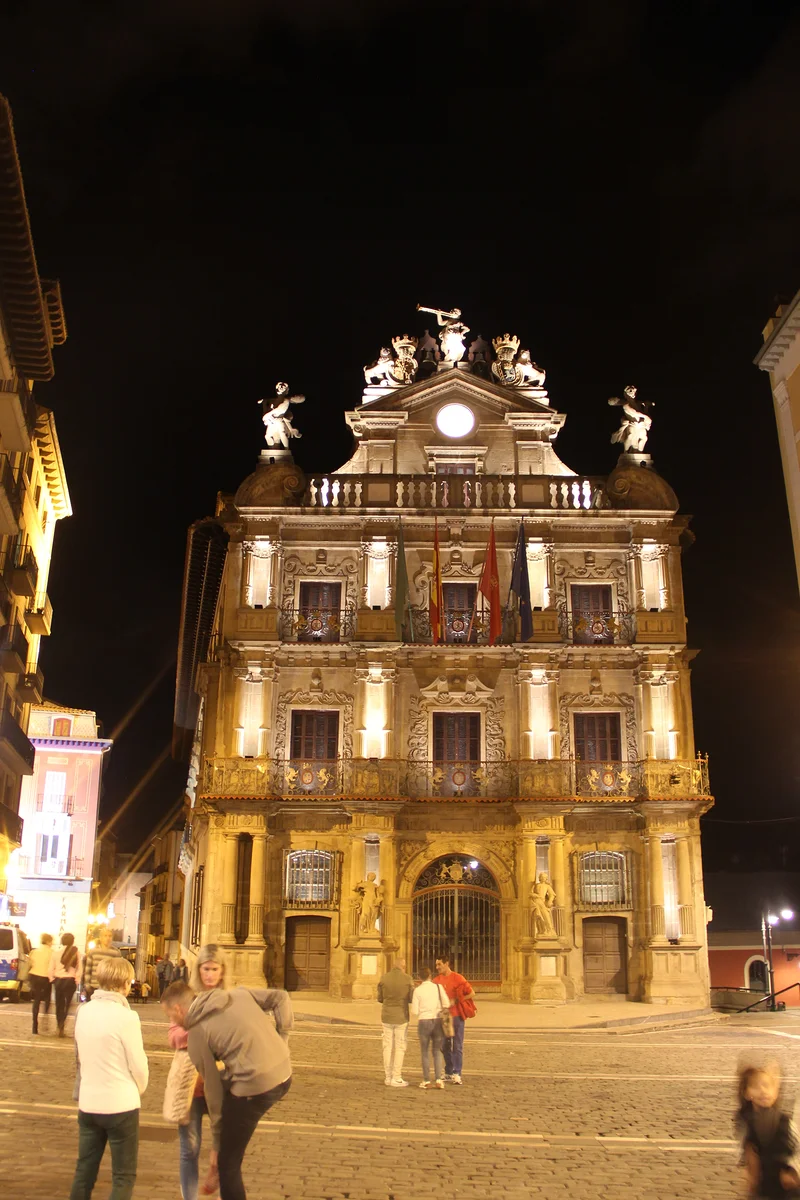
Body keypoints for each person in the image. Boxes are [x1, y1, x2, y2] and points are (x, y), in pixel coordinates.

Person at [162, 971, 293, 1200]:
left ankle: (217, 1165)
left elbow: (213, 1095)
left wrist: (218, 1140)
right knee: (228, 1086)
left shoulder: (196, 1037)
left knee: (228, 1163)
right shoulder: (238, 994)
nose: (172, 1022)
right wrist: (283, 1038)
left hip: (257, 1087)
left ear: (179, 1010)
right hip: (285, 1073)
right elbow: (281, 997)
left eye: (170, 1016)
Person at [69, 956, 148, 1200]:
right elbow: (138, 1065)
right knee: (123, 1174)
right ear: (124, 984)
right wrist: (138, 1089)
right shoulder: (127, 1017)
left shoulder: (84, 1011)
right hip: (120, 1104)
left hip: (89, 1102)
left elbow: (79, 1057)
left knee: (85, 1170)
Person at [165, 945, 230, 1200]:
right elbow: (173, 1037)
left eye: (215, 970)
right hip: (191, 1083)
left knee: (224, 1151)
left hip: (223, 1083)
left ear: (223, 972)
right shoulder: (187, 998)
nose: (210, 975)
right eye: (206, 969)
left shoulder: (229, 1000)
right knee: (189, 1148)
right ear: (198, 970)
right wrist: (199, 1032)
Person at [736, 1063, 800, 1198]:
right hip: (762, 1186)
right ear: (747, 1092)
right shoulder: (745, 1119)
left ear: (776, 1092)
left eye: (767, 1086)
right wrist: (748, 1174)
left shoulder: (784, 1122)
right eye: (756, 1086)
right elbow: (746, 1149)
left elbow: (796, 1148)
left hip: (785, 1184)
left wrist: (793, 1171)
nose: (762, 1091)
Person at [434, 955, 475, 1086]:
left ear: (447, 964)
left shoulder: (458, 978)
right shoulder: (436, 980)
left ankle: (457, 1073)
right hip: (445, 1016)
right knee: (445, 1045)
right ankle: (449, 1071)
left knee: (457, 1045)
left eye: (439, 964)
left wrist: (457, 1000)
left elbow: (472, 993)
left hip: (456, 1015)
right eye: (437, 965)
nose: (437, 967)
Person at [376, 956, 414, 1087]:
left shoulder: (384, 978)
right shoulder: (408, 979)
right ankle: (396, 1076)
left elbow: (380, 998)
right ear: (402, 966)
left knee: (387, 1046)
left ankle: (387, 1076)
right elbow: (411, 998)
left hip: (386, 1015)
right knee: (400, 1046)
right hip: (401, 1016)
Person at [411, 966, 448, 1090]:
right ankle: (438, 1079)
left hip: (424, 1021)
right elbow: (446, 1003)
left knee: (424, 1051)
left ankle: (426, 1080)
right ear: (430, 976)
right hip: (437, 1020)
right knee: (437, 1051)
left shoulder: (417, 990)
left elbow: (415, 1011)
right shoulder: (438, 987)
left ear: (419, 977)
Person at [53, 931, 82, 1037]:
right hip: (70, 980)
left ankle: (59, 1025)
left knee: (59, 1004)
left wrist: (52, 978)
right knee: (67, 1004)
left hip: (59, 980)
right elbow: (79, 968)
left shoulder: (56, 953)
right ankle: (62, 1024)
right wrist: (77, 980)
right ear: (73, 941)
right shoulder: (76, 952)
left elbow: (51, 968)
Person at [83, 926, 121, 1000]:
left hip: (109, 987)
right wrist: (87, 984)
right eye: (105, 936)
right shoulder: (93, 951)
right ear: (100, 937)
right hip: (94, 985)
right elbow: (88, 969)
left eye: (110, 936)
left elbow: (118, 971)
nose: (108, 938)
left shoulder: (116, 952)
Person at [28, 932, 54, 1035]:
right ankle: (45, 1015)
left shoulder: (34, 951)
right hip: (45, 977)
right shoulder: (52, 952)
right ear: (48, 941)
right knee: (47, 999)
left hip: (34, 976)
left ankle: (35, 1024)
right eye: (51, 941)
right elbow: (52, 966)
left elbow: (30, 963)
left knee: (36, 1000)